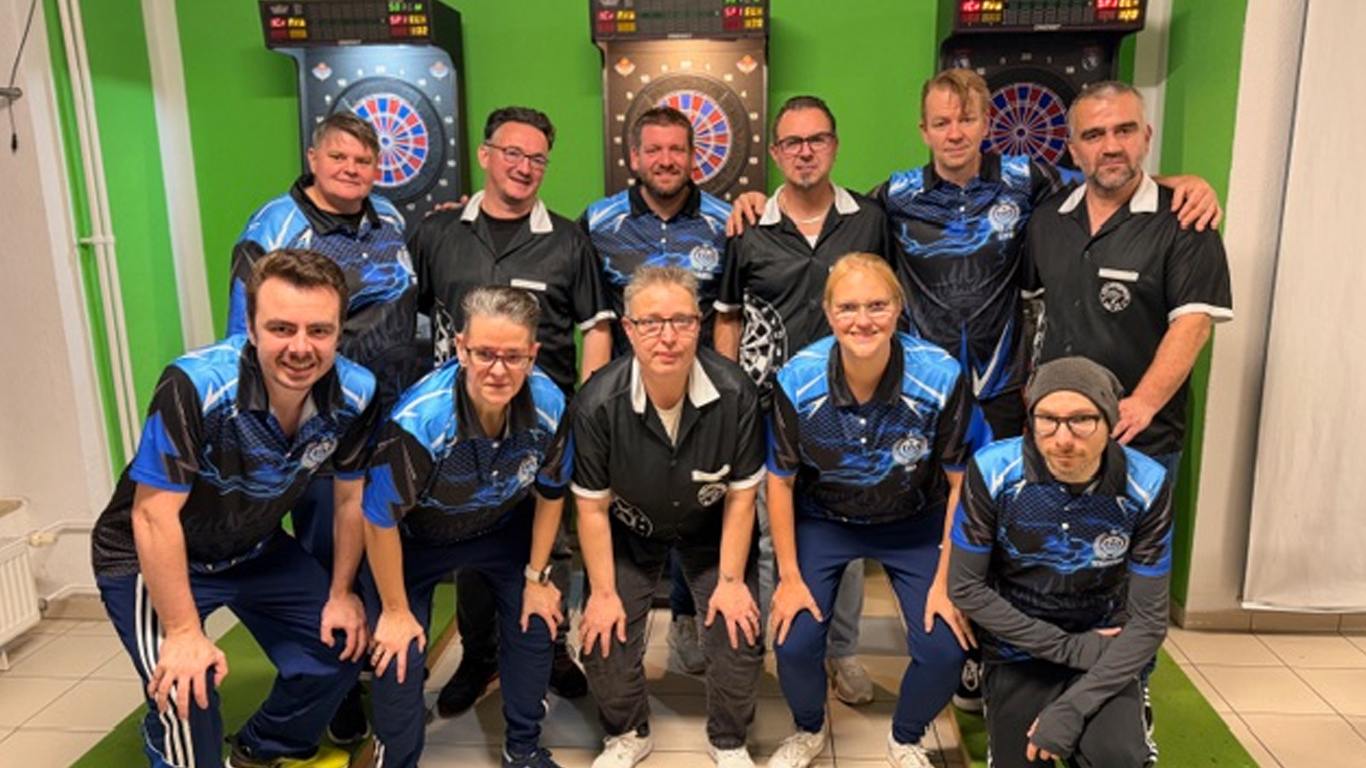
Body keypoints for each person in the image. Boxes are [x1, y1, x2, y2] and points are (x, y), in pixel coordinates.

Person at [729, 69, 1220, 712]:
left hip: (1007, 388)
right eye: (941, 122)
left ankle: (1012, 663)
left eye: (966, 120)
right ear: (923, 130)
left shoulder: (1030, 181)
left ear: (988, 124)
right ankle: (963, 649)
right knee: (938, 521)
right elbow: (820, 207)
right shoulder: (894, 197)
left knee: (1014, 527)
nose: (955, 132)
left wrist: (1182, 183)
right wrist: (755, 199)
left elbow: (1109, 175)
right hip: (922, 395)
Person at [91, 250, 375, 768]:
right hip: (152, 554)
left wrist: (340, 593)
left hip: (254, 548)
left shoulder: (356, 392)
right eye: (281, 328)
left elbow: (350, 497)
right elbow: (153, 516)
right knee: (188, 689)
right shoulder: (196, 384)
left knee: (339, 647)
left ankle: (263, 747)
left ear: (340, 330)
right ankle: (166, 738)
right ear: (250, 325)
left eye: (319, 330)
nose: (301, 348)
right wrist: (183, 634)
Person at [407, 106, 612, 714]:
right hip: (461, 429)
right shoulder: (437, 233)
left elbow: (596, 328)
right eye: (512, 153)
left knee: (554, 543)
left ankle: (552, 648)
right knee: (476, 541)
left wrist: (584, 411)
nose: (524, 167)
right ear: (485, 155)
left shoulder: (568, 240)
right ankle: (480, 656)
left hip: (544, 428)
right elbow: (406, 321)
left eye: (537, 158)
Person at [225, 112, 418, 743]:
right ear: (313, 159)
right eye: (339, 158)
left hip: (389, 415)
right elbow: (246, 334)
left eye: (363, 161)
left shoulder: (389, 218)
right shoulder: (275, 225)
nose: (351, 170)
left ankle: (378, 670)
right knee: (328, 555)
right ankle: (336, 686)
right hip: (318, 424)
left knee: (383, 546)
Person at [765, 253, 975, 768]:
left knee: (946, 647)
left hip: (915, 521)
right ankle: (808, 728)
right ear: (828, 312)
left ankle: (906, 737)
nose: (863, 320)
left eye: (877, 305)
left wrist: (946, 581)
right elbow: (780, 480)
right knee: (793, 640)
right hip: (825, 520)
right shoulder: (798, 378)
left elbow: (961, 483)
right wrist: (788, 576)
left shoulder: (940, 375)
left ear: (899, 308)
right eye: (848, 307)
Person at [713, 95, 885, 705]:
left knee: (848, 537)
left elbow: (890, 305)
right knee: (769, 538)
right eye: (792, 142)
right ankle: (774, 646)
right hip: (769, 411)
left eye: (816, 140)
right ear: (775, 152)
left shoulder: (871, 218)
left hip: (853, 412)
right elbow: (728, 318)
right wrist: (730, 399)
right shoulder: (748, 227)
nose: (805, 152)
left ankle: (842, 653)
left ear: (834, 146)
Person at [361, 286, 572, 768]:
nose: (498, 369)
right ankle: (397, 759)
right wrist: (394, 610)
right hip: (414, 541)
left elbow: (551, 493)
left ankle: (523, 748)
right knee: (399, 653)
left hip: (499, 531)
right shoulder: (420, 420)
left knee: (536, 618)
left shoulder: (549, 404)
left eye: (514, 356)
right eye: (484, 354)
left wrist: (537, 578)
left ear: (533, 354)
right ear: (460, 348)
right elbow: (379, 519)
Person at [572, 266, 765, 768]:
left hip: (711, 528)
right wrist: (603, 593)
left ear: (699, 325)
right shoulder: (595, 403)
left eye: (681, 320)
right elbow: (591, 507)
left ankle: (729, 739)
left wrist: (730, 582)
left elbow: (742, 499)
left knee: (738, 633)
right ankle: (626, 732)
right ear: (627, 328)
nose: (668, 336)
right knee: (603, 637)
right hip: (630, 528)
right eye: (650, 322)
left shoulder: (737, 394)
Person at [949, 357, 1173, 768]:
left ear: (1110, 421)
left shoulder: (1148, 483)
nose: (1063, 438)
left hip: (1104, 644)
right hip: (1017, 645)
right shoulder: (993, 469)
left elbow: (1150, 621)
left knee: (1117, 759)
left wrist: (1073, 707)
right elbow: (965, 588)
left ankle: (1131, 692)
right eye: (1048, 420)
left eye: (1082, 420)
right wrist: (1068, 648)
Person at [579, 105, 733, 677]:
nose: (666, 160)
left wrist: (728, 396)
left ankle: (687, 618)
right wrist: (590, 403)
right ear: (635, 157)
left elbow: (728, 314)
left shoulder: (726, 221)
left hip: (699, 401)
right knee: (618, 514)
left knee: (699, 512)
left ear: (694, 157)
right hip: (624, 406)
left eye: (677, 149)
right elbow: (596, 320)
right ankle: (612, 612)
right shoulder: (597, 222)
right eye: (654, 150)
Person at [1024, 80, 1234, 470]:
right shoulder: (1047, 218)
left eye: (1125, 130)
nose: (1111, 147)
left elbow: (1193, 325)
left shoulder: (1186, 220)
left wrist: (1143, 404)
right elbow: (1030, 310)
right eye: (1093, 135)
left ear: (1146, 137)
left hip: (1139, 440)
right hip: (1055, 437)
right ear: (1074, 150)